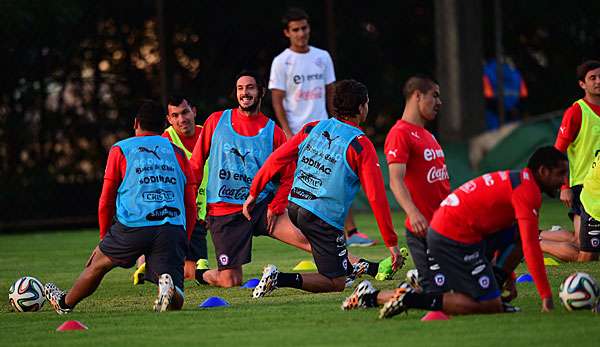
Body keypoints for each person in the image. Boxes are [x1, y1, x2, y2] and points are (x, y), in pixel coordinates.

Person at [342, 146, 568, 318]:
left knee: (516, 238)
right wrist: (546, 297)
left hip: (462, 233)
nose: (564, 181)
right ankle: (408, 298)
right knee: (485, 304)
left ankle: (374, 295)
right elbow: (531, 246)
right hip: (453, 238)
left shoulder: (520, 181)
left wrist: (507, 277)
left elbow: (515, 235)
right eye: (560, 174)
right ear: (543, 171)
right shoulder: (527, 190)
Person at [246, 79, 404, 297]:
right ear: (361, 107)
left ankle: (355, 267)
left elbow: (276, 159)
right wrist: (392, 243)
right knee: (335, 282)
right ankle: (278, 278)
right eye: (366, 103)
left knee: (333, 257)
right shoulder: (360, 144)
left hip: (295, 206)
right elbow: (376, 197)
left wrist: (254, 192)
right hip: (322, 216)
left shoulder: (314, 127)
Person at [44, 100, 197, 313]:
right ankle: (169, 289)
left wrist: (104, 238)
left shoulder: (121, 149)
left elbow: (106, 200)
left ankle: (64, 304)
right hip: (172, 225)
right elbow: (190, 203)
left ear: (136, 123)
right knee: (177, 292)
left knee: (98, 264)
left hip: (133, 224)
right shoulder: (177, 152)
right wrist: (184, 236)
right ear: (165, 125)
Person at [188, 70, 315, 288]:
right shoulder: (216, 121)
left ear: (261, 92)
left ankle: (349, 267)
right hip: (223, 210)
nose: (244, 93)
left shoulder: (273, 131)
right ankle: (202, 274)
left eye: (250, 88)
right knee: (231, 281)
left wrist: (276, 206)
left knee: (308, 237)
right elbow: (196, 164)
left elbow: (288, 176)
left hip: (260, 207)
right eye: (240, 88)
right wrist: (189, 201)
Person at [269, 7, 372, 247]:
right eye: (296, 29)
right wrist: (286, 130)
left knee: (339, 178)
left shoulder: (322, 56)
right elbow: (277, 99)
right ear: (287, 32)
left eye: (304, 28)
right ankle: (302, 236)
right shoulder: (281, 62)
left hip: (325, 132)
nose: (301, 33)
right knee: (302, 184)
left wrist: (339, 123)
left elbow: (331, 94)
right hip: (298, 133)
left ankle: (352, 232)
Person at [133, 95, 210, 285]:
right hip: (180, 211)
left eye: (185, 112)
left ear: (194, 112)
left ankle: (148, 264)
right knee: (195, 270)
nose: (181, 119)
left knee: (196, 265)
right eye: (175, 115)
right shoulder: (166, 140)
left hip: (207, 210)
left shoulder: (208, 134)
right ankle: (148, 265)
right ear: (168, 119)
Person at [383, 75, 450, 285]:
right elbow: (395, 180)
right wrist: (413, 213)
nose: (439, 102)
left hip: (446, 226)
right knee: (441, 294)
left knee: (459, 288)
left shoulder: (428, 135)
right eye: (435, 96)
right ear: (418, 96)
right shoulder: (399, 134)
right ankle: (372, 297)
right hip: (424, 230)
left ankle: (413, 285)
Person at [540, 60, 600, 262]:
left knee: (581, 241)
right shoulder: (577, 112)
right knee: (586, 252)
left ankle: (535, 234)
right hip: (582, 187)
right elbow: (558, 152)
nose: (598, 81)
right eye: (593, 78)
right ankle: (529, 241)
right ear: (582, 84)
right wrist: (564, 185)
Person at [482, 57, 529, 130]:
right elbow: (524, 97)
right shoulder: (516, 74)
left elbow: (487, 98)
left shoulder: (486, 73)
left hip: (494, 124)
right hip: (514, 122)